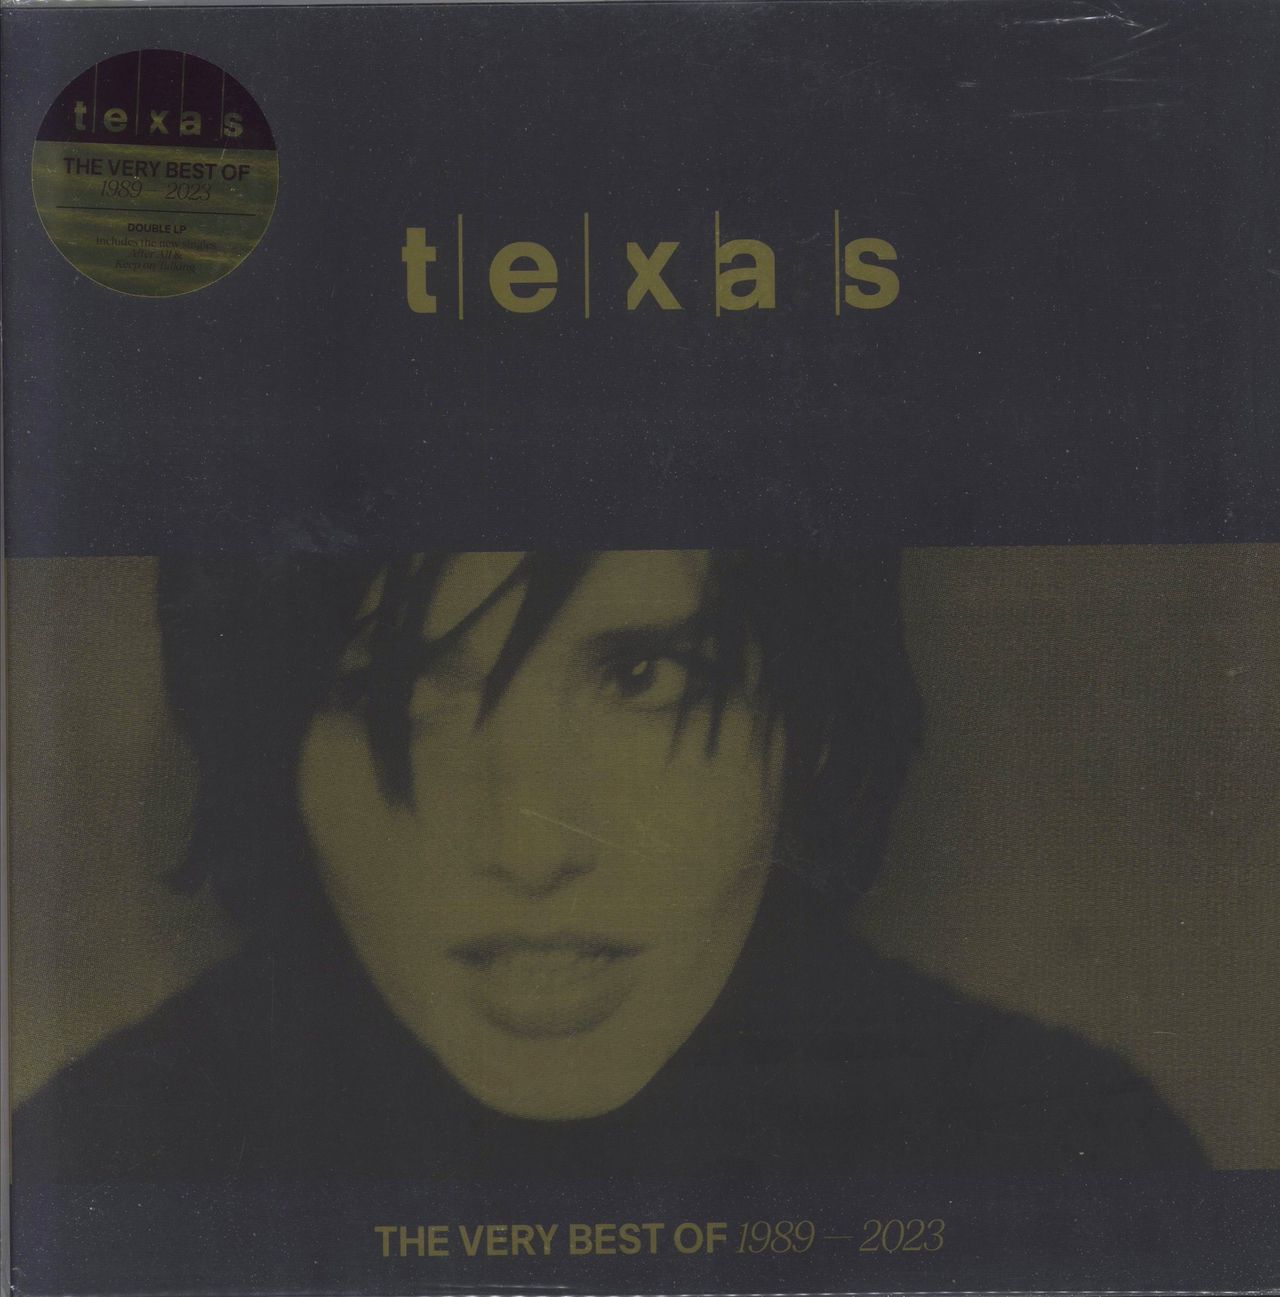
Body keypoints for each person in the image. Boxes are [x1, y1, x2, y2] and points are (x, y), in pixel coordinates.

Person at [13, 549, 1206, 1180]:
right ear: (264, 742)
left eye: (643, 677)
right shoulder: (99, 1165)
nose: (528, 847)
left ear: (808, 728)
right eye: (388, 692)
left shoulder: (1062, 1151)